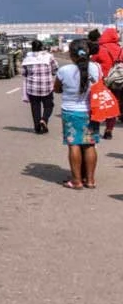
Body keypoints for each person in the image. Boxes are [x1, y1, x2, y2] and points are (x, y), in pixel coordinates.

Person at [55, 38, 101, 189]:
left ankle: (76, 181)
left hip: (71, 112)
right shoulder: (96, 68)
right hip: (91, 111)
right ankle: (90, 180)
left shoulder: (64, 70)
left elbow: (57, 89)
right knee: (89, 144)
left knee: (74, 144)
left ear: (72, 55)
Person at [91, 27, 122, 139]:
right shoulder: (120, 49)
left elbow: (92, 62)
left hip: (102, 81)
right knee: (113, 104)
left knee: (99, 104)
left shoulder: (100, 49)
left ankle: (95, 130)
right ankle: (109, 130)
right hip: (117, 81)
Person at [22, 39, 58, 134]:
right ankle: (44, 120)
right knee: (48, 105)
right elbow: (55, 70)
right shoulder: (49, 57)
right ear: (42, 47)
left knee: (35, 107)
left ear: (32, 47)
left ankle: (37, 128)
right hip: (47, 86)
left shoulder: (27, 58)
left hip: (32, 87)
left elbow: (24, 73)